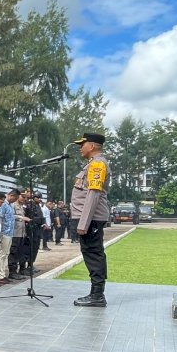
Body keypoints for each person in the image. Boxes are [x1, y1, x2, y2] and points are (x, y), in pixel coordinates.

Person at [70, 132, 111, 307]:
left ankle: (97, 295)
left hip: (91, 219)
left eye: (83, 144)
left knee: (94, 255)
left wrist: (83, 223)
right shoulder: (92, 165)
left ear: (92, 146)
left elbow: (93, 194)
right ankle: (96, 294)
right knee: (92, 254)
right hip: (91, 218)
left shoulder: (97, 165)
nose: (80, 147)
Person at [0, 189, 17, 285]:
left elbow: (10, 218)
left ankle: (2, 274)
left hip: (9, 233)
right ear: (10, 195)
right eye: (14, 198)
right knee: (1, 254)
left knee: (5, 254)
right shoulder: (3, 205)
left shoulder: (9, 205)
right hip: (4, 233)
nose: (15, 200)